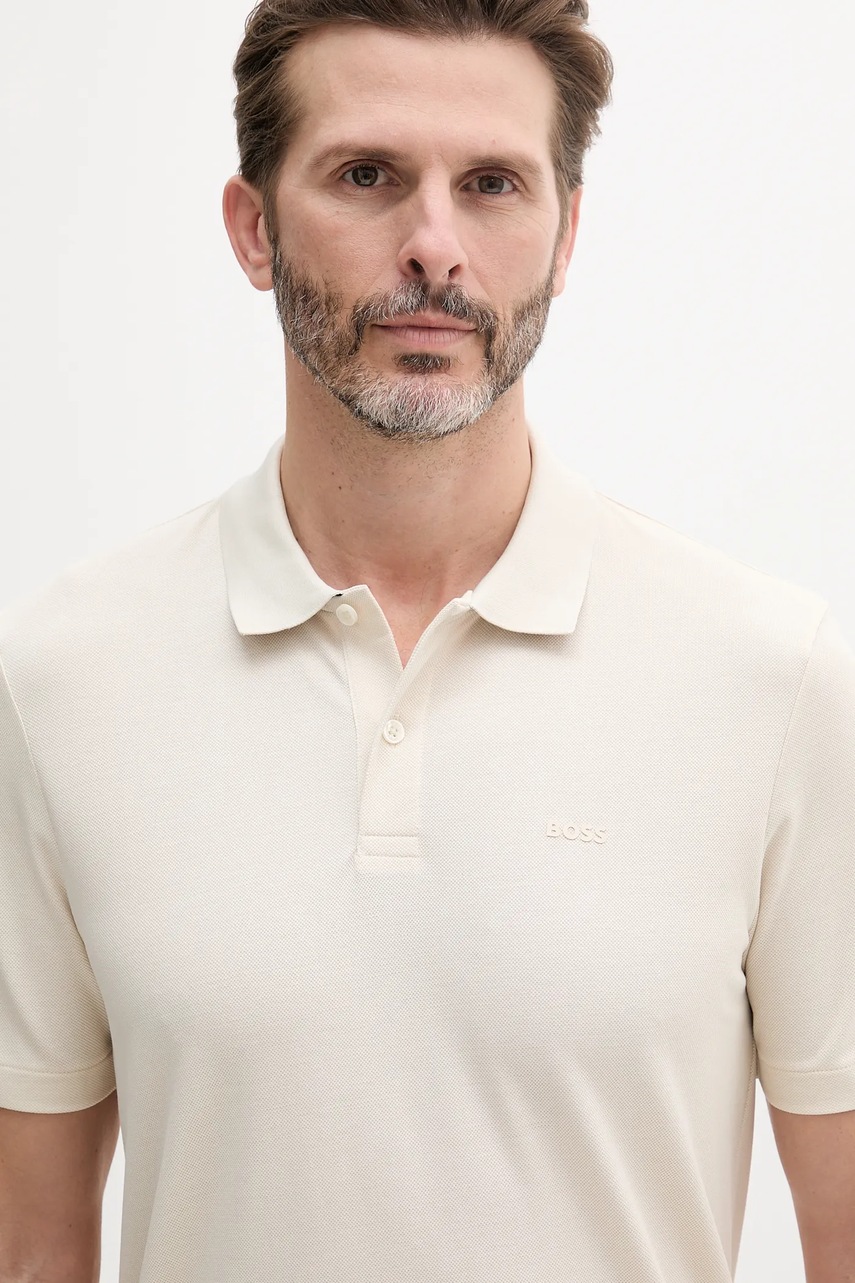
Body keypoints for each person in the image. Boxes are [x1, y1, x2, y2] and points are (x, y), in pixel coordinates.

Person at [1, 2, 854, 1282]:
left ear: (566, 233)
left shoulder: (772, 681)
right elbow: (32, 1242)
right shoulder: (65, 679)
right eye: (367, 176)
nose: (435, 247)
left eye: (493, 184)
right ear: (253, 228)